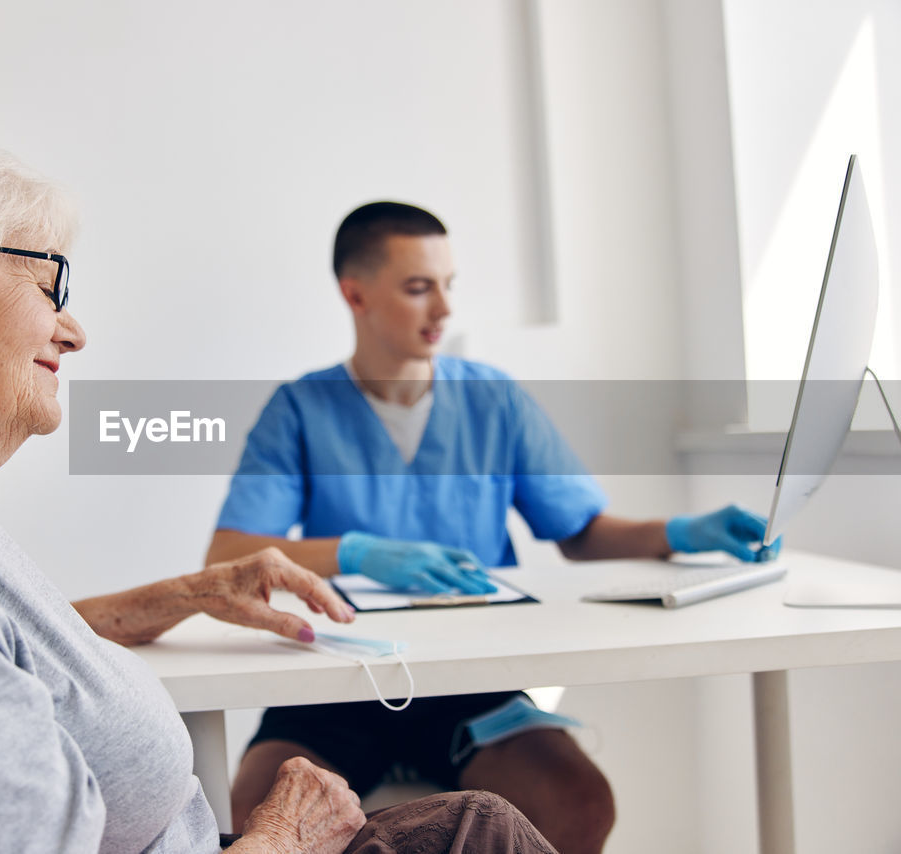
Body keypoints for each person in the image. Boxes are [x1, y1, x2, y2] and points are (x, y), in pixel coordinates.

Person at [0, 140, 558, 854]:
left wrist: (182, 595)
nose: (73, 325)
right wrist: (282, 841)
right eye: (48, 279)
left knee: (482, 823)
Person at [207, 201, 781, 853]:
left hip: (468, 685)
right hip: (333, 686)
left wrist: (678, 534)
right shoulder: (300, 408)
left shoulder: (495, 399)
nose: (444, 310)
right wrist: (359, 551)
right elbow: (230, 552)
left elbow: (580, 532)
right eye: (420, 288)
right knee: (249, 820)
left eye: (449, 285)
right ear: (355, 293)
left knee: (579, 802)